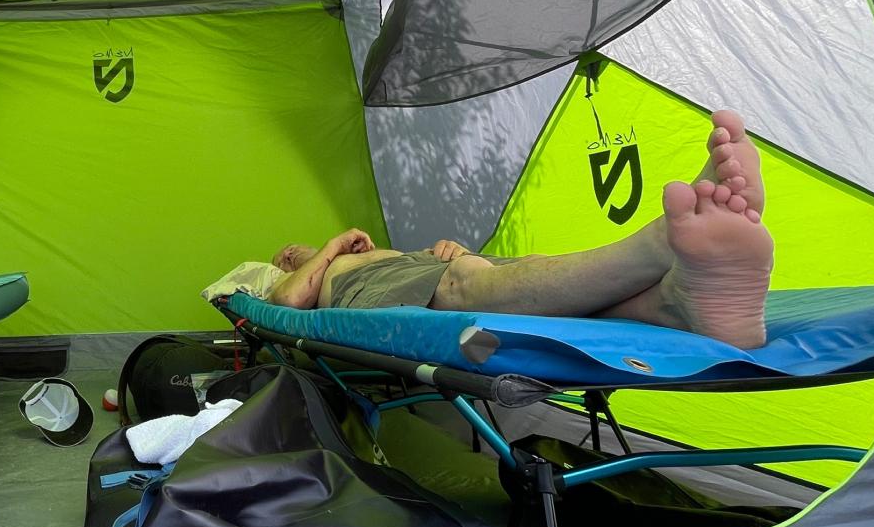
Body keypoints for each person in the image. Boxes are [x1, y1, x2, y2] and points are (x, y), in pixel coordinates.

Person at [266, 110, 774, 349]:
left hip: (413, 270)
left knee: (519, 269)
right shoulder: (319, 273)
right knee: (466, 283)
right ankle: (660, 243)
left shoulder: (365, 255)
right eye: (287, 256)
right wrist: (330, 247)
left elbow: (419, 273)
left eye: (294, 252)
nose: (292, 255)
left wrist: (444, 249)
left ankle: (673, 305)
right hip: (370, 292)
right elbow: (288, 303)